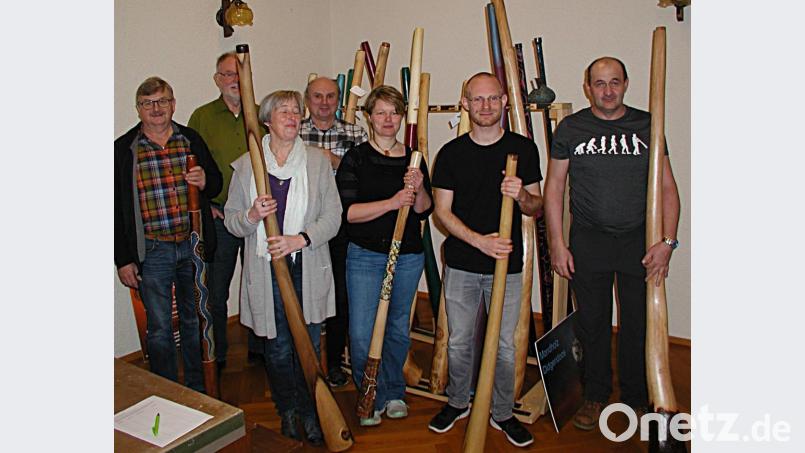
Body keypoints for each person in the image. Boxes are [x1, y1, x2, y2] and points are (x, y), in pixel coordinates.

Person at [543, 56, 680, 431]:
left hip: (640, 240)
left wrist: (667, 242)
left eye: (614, 82)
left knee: (638, 323)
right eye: (599, 83)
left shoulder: (648, 125)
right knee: (592, 323)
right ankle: (595, 395)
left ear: (626, 83)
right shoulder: (571, 129)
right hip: (588, 241)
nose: (607, 90)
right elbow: (553, 190)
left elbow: (668, 187)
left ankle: (635, 398)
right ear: (588, 87)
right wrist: (557, 243)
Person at [427, 72, 541, 448]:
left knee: (506, 345)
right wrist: (479, 242)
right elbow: (441, 212)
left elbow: (536, 206)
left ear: (505, 101)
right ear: (465, 103)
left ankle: (502, 412)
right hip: (461, 263)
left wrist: (521, 195)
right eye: (477, 99)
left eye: (493, 98)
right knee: (459, 341)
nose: (486, 106)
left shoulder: (523, 149)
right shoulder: (451, 153)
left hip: (507, 266)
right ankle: (458, 402)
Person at [224, 90, 340, 445]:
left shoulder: (318, 162)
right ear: (266, 120)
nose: (292, 117)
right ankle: (287, 410)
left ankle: (311, 412)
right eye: (284, 111)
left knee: (305, 343)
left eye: (296, 111)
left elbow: (333, 217)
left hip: (306, 263)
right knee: (276, 347)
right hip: (266, 270)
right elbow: (232, 222)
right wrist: (252, 215)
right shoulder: (247, 166)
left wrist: (299, 239)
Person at [114, 76, 223, 393]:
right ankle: (167, 392)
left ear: (173, 104)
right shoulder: (124, 150)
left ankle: (195, 389)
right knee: (160, 328)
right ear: (138, 109)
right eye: (148, 103)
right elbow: (114, 209)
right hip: (153, 250)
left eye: (162, 101)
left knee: (194, 322)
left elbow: (215, 184)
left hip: (192, 246)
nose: (156, 109)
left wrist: (204, 181)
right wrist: (123, 259)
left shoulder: (191, 140)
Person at [335, 86, 433, 426]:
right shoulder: (356, 158)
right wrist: (392, 202)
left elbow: (423, 210)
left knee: (396, 328)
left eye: (394, 112)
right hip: (364, 255)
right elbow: (348, 213)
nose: (388, 119)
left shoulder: (414, 159)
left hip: (406, 256)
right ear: (369, 117)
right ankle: (369, 394)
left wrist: (418, 187)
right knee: (362, 331)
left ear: (401, 116)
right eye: (381, 112)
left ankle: (393, 392)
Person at [188, 52, 267, 370]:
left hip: (259, 216)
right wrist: (207, 206)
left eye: (239, 74)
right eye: (227, 75)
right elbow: (190, 167)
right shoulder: (203, 117)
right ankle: (217, 355)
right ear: (217, 80)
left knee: (258, 283)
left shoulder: (263, 115)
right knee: (216, 288)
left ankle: (261, 348)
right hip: (220, 216)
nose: (234, 80)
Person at [301, 76, 369, 387]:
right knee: (306, 293)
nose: (324, 102)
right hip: (303, 227)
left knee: (341, 294)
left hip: (343, 224)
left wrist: (335, 161)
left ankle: (334, 363)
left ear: (339, 101)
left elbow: (367, 175)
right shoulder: (295, 131)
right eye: (317, 96)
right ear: (308, 100)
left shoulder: (355, 132)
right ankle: (305, 358)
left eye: (330, 96)